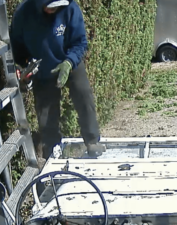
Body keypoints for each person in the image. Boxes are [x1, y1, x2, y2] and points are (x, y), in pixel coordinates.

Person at [9, 0, 105, 159]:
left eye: (57, 6)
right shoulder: (23, 14)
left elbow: (80, 42)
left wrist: (68, 63)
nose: (53, 10)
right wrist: (22, 68)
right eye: (50, 6)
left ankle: (92, 140)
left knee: (84, 96)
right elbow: (16, 47)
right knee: (46, 116)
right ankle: (52, 150)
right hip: (42, 68)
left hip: (69, 62)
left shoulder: (70, 9)